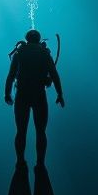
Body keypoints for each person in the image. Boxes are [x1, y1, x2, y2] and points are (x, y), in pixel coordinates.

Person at [5, 29, 64, 169]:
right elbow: (54, 75)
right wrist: (59, 94)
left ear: (26, 39)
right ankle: (40, 163)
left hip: (22, 96)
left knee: (20, 131)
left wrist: (7, 93)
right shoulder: (44, 53)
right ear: (39, 40)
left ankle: (20, 161)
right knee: (41, 132)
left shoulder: (19, 53)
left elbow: (11, 75)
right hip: (39, 95)